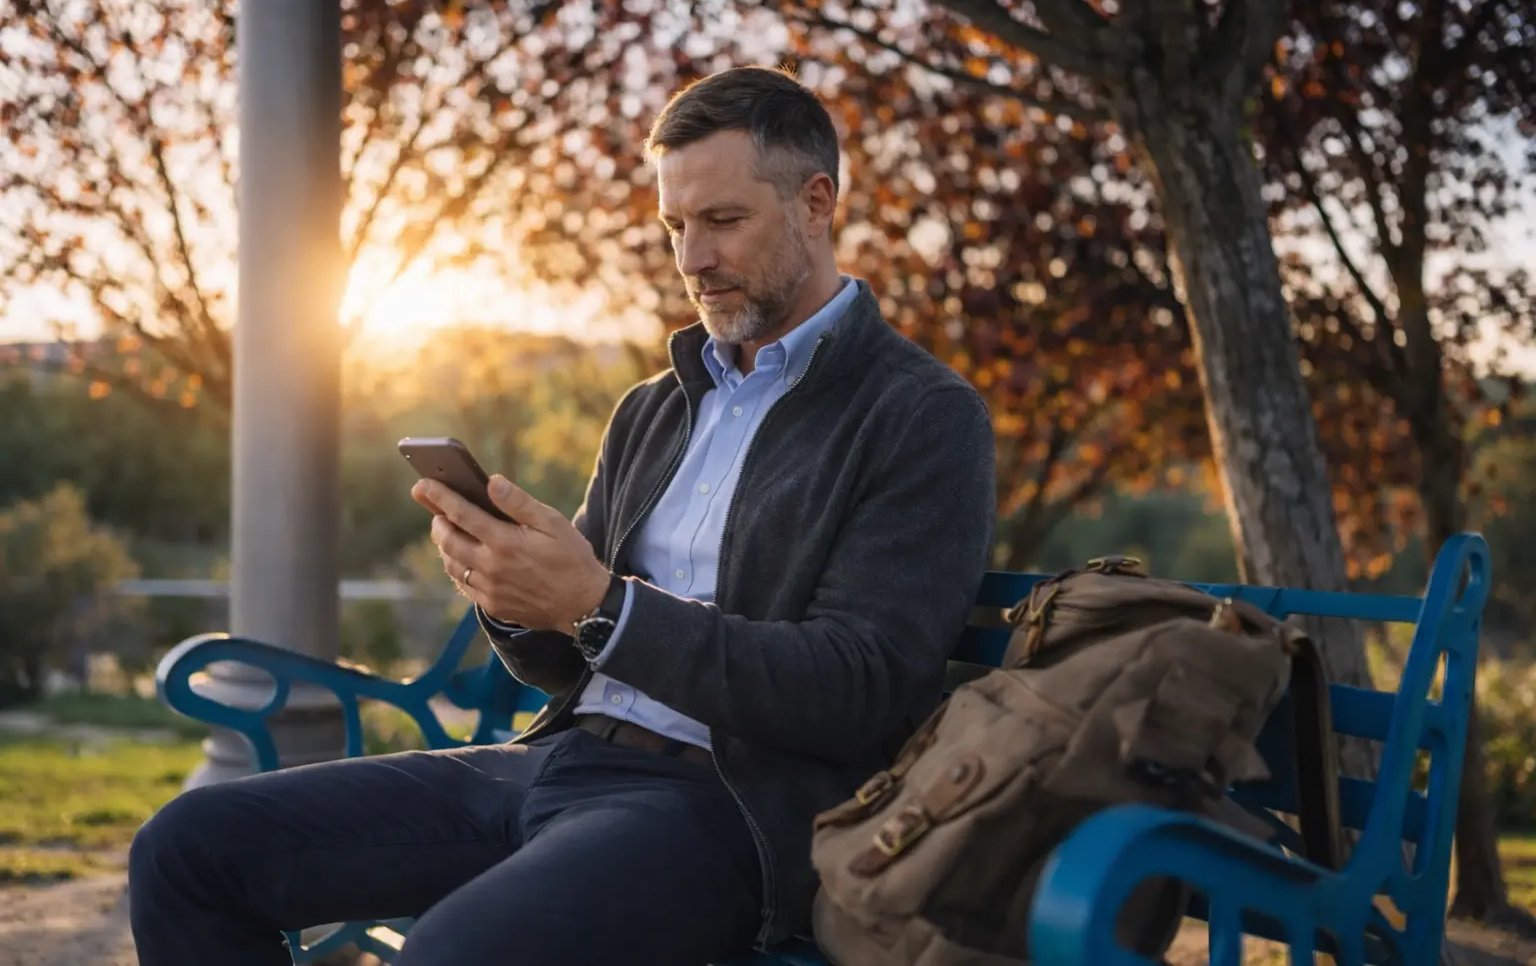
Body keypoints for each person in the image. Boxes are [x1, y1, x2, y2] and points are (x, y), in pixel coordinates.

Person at [127, 65, 997, 966]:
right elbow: (557, 658)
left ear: (816, 204)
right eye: (674, 227)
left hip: (727, 810)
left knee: (456, 954)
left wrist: (598, 605)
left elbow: (861, 692)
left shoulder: (918, 415)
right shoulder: (655, 408)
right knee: (186, 850)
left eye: (723, 222)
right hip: (550, 762)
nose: (692, 258)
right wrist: (509, 592)